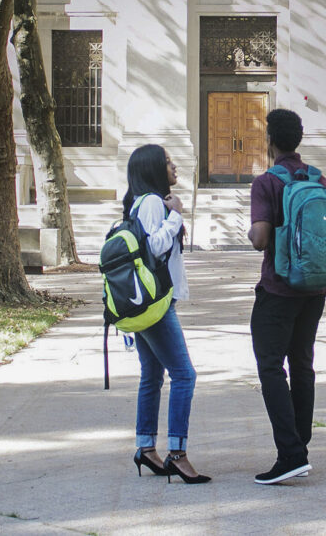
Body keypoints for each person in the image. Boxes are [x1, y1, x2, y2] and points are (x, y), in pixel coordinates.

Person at [246, 108, 326, 485]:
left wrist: (251, 230)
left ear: (270, 141)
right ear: (298, 139)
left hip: (279, 288)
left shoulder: (267, 182)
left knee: (270, 366)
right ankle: (301, 444)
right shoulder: (319, 178)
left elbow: (261, 239)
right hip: (315, 287)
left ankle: (291, 453)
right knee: (302, 363)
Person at [123, 144, 210, 484]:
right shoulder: (152, 204)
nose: (175, 167)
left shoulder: (142, 202)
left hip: (148, 301)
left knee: (152, 375)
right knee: (184, 375)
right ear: (153, 170)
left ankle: (146, 448)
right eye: (168, 162)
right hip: (155, 303)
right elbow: (153, 248)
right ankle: (177, 454)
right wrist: (175, 215)